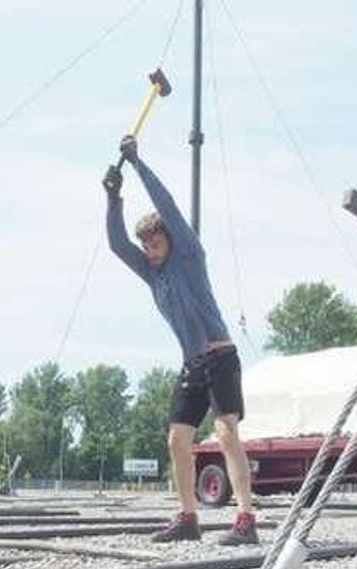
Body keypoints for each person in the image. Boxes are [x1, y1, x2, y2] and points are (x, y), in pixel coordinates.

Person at [103, 135, 257, 545]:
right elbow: (117, 244)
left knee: (226, 432)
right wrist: (113, 199)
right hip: (192, 364)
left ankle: (245, 520)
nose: (150, 251)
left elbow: (167, 205)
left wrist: (137, 164)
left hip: (221, 357)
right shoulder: (152, 273)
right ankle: (188, 519)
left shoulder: (189, 253)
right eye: (146, 246)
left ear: (170, 238)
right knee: (177, 440)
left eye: (155, 243)